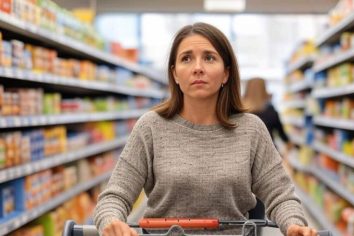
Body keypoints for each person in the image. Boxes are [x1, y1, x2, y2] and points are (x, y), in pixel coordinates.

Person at [93, 22, 317, 236]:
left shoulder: (251, 129)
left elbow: (281, 195)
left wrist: (294, 224)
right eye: (186, 58)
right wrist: (112, 221)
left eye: (209, 58)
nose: (198, 68)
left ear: (226, 73)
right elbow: (115, 197)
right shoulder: (150, 127)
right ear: (174, 74)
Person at [242, 78, 294, 221]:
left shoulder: (238, 111)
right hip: (265, 161)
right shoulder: (271, 111)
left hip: (241, 161)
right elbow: (283, 136)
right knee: (259, 201)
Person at [242, 78, 293, 152]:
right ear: (264, 89)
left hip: (246, 153)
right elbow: (281, 132)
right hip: (268, 152)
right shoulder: (270, 110)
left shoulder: (240, 111)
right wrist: (288, 144)